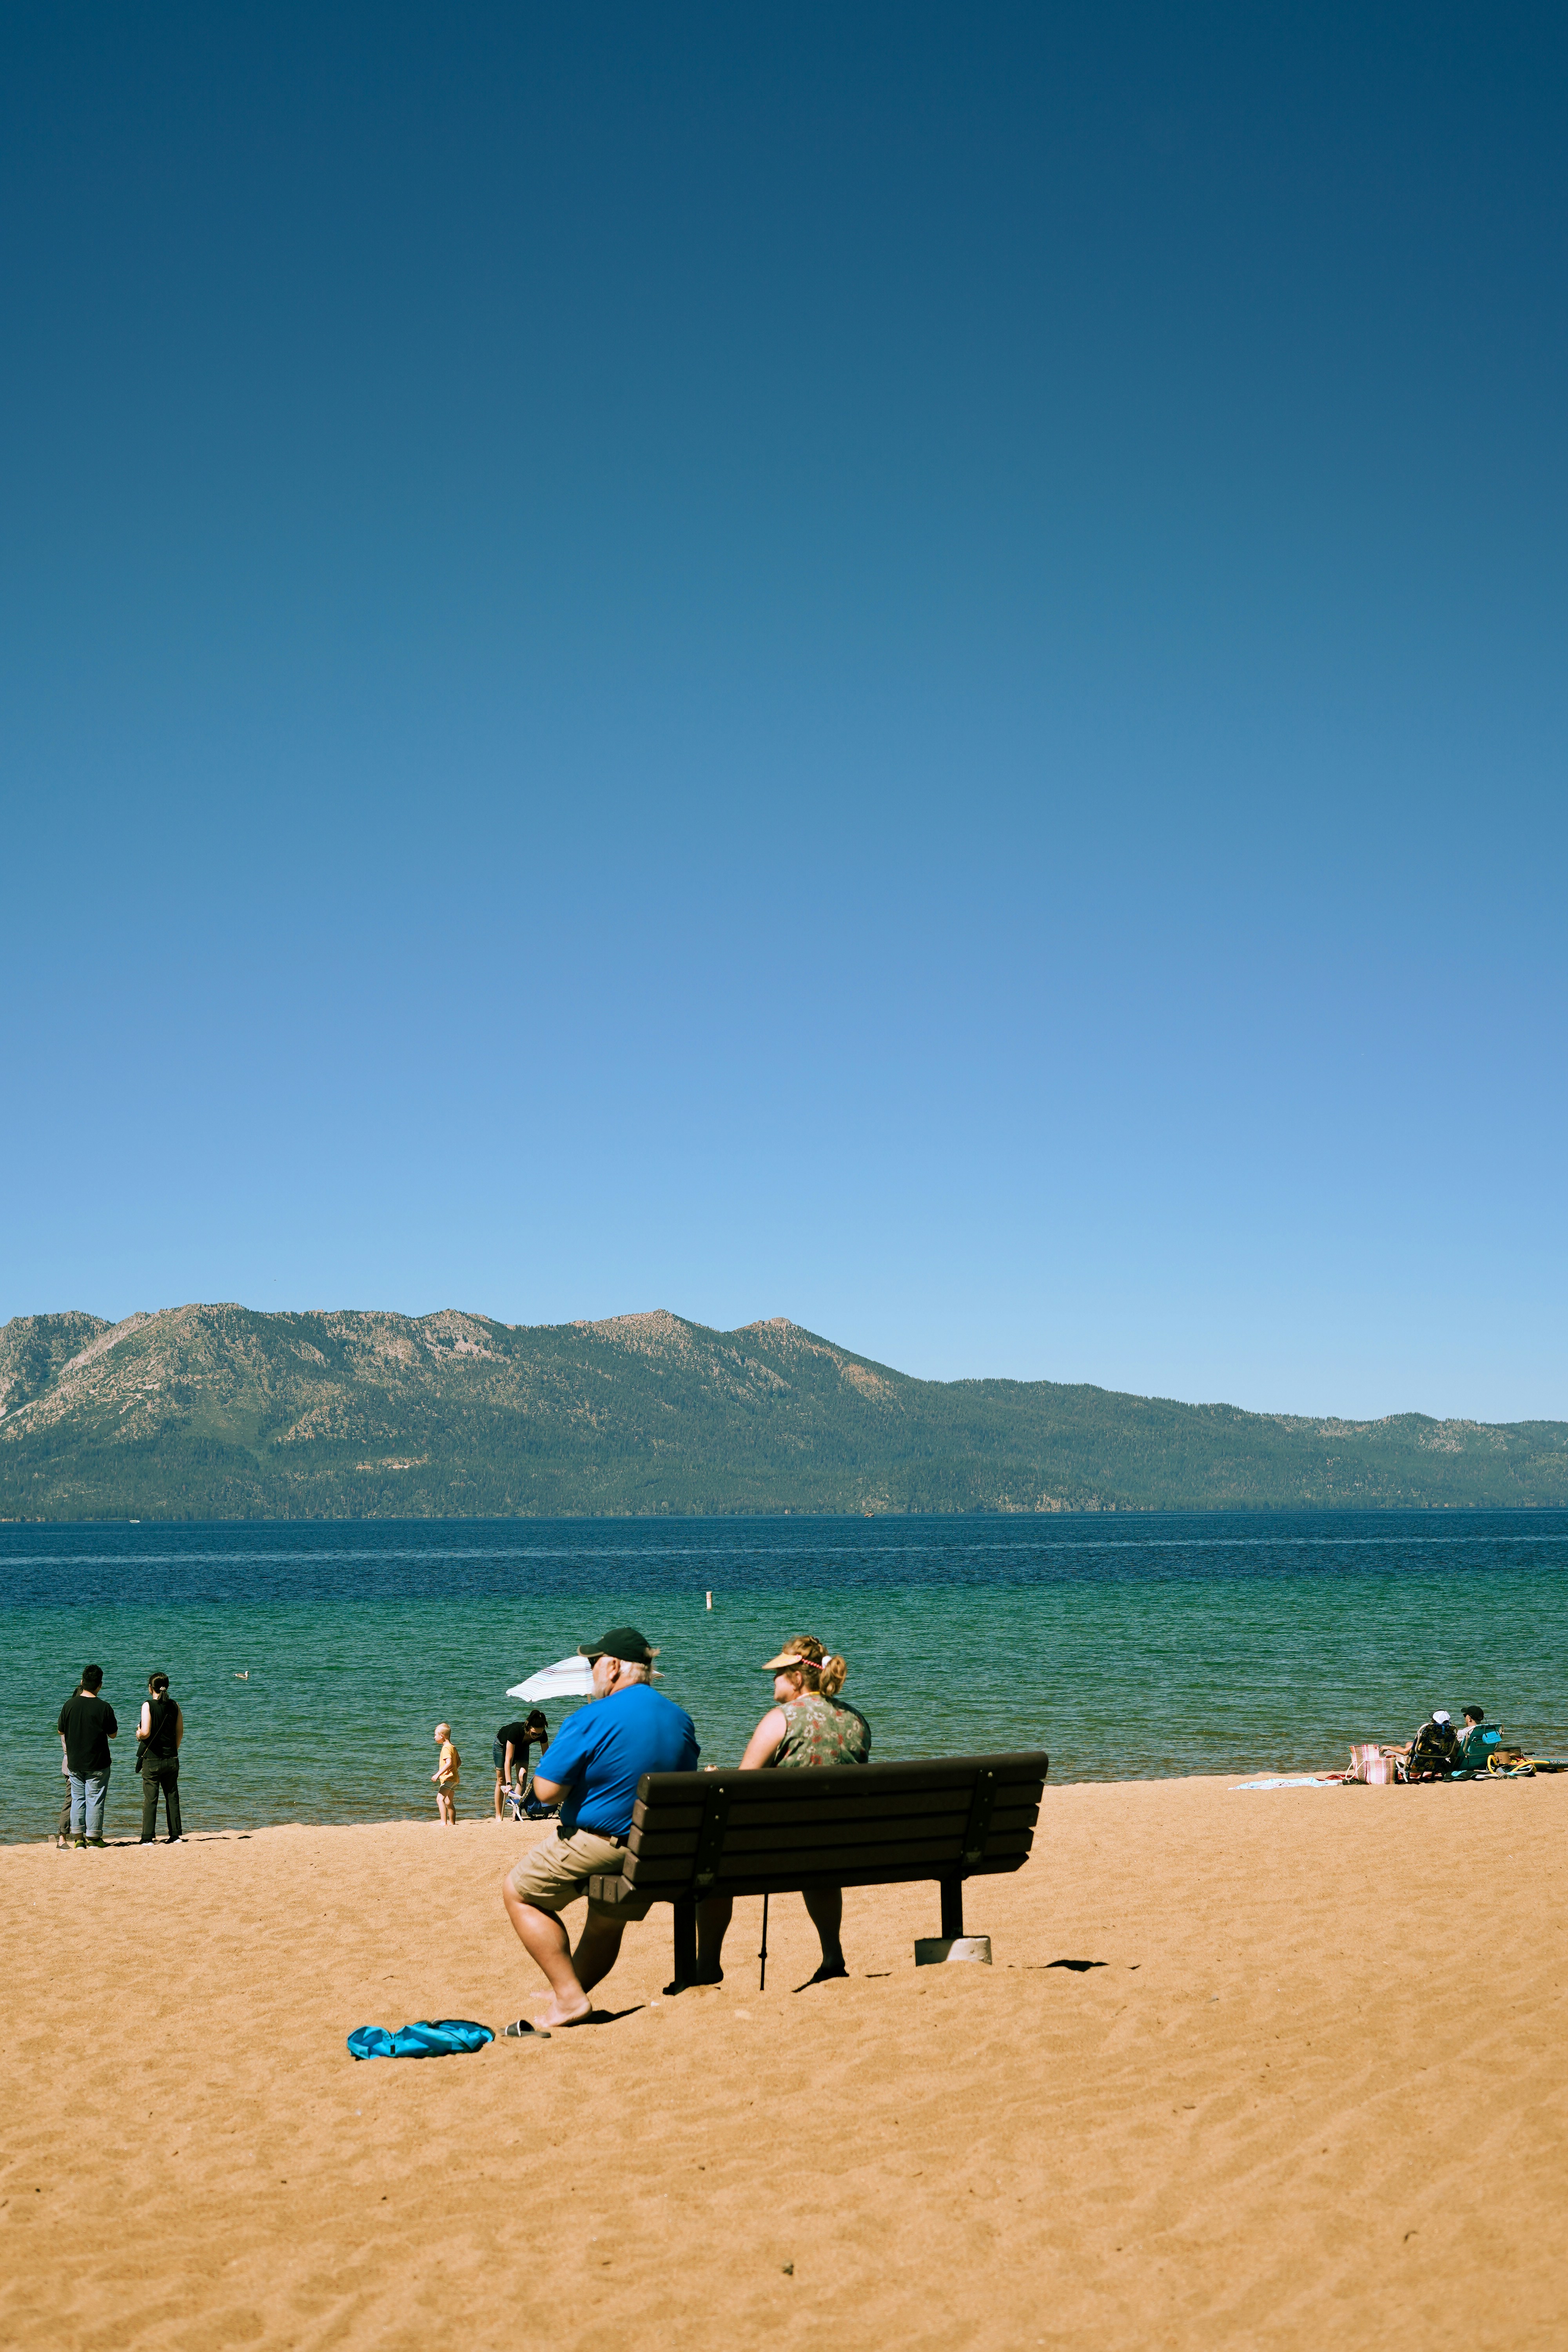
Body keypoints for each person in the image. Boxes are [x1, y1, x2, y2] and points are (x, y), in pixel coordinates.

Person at [501, 1625, 698, 2031]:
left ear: (611, 1668)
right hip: (653, 1850)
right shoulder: (680, 1718)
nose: (592, 1672)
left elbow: (548, 1791)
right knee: (607, 1921)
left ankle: (570, 1997)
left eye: (593, 1664)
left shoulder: (591, 1717)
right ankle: (569, 1993)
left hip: (600, 1844)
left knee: (519, 1892)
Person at [694, 1635, 869, 1989]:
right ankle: (832, 1954)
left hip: (782, 1849)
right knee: (817, 1855)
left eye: (778, 1673)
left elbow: (740, 1789)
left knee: (710, 1859)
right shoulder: (856, 1721)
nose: (772, 1680)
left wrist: (716, 1780)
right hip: (842, 1845)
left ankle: (708, 1964)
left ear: (797, 1678)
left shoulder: (781, 1720)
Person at [58, 1666, 118, 1847]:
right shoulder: (104, 1707)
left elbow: (60, 1730)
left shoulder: (69, 1704)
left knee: (78, 1799)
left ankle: (78, 1839)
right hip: (98, 1762)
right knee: (95, 1799)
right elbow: (113, 1734)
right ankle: (93, 1838)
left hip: (75, 1762)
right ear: (100, 1685)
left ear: (82, 1682)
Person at [137, 1673, 184, 1844]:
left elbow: (146, 1732)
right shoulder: (175, 1705)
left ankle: (148, 1837)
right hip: (171, 1757)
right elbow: (180, 1732)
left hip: (152, 1759)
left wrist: (138, 1734)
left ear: (151, 1688)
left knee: (151, 1798)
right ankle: (175, 1835)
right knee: (172, 1796)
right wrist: (173, 1750)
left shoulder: (148, 1705)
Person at [493, 1711, 550, 1818]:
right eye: (534, 1734)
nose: (536, 1736)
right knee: (502, 1780)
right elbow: (508, 1760)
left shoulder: (542, 1735)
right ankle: (498, 1816)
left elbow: (547, 1757)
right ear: (528, 1727)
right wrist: (509, 1784)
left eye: (539, 1734)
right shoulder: (516, 1731)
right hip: (501, 1745)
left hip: (523, 1746)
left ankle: (516, 1813)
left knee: (523, 1777)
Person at [1389, 1709, 1463, 1779]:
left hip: (1416, 1766)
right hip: (1435, 1765)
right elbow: (1452, 1754)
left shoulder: (1428, 1733)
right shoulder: (1450, 1735)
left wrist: (1388, 1747)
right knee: (1409, 1744)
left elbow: (1405, 1752)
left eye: (1432, 1720)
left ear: (1434, 1721)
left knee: (1395, 1756)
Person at [1454, 1706, 1500, 1774]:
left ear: (1469, 1718)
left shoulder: (1462, 1733)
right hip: (1483, 1763)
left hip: (1464, 1764)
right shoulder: (1489, 1732)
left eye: (1465, 1716)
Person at [432, 1724, 461, 1823]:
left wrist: (438, 1774)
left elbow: (449, 1763)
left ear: (442, 1736)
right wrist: (454, 1770)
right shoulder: (453, 1747)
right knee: (449, 1802)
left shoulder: (446, 1748)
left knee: (440, 1799)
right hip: (455, 1778)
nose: (434, 1737)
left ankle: (444, 1823)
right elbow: (459, 1762)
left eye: (435, 1735)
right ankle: (452, 1823)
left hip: (449, 1779)